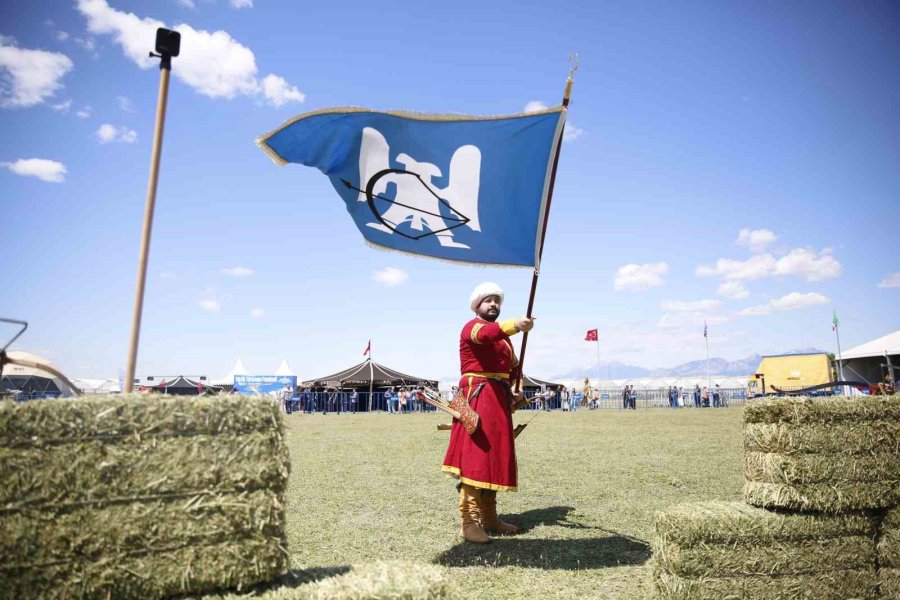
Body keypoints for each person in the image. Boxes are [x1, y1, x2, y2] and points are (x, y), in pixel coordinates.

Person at [442, 282, 534, 544]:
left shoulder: (504, 341)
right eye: (488, 300)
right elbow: (486, 335)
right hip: (476, 397)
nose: (493, 304)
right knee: (476, 458)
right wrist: (516, 324)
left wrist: (517, 387)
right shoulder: (473, 328)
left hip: (498, 398)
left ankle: (490, 517)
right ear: (477, 305)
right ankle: (468, 523)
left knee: (493, 457)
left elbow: (514, 368)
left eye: (497, 301)